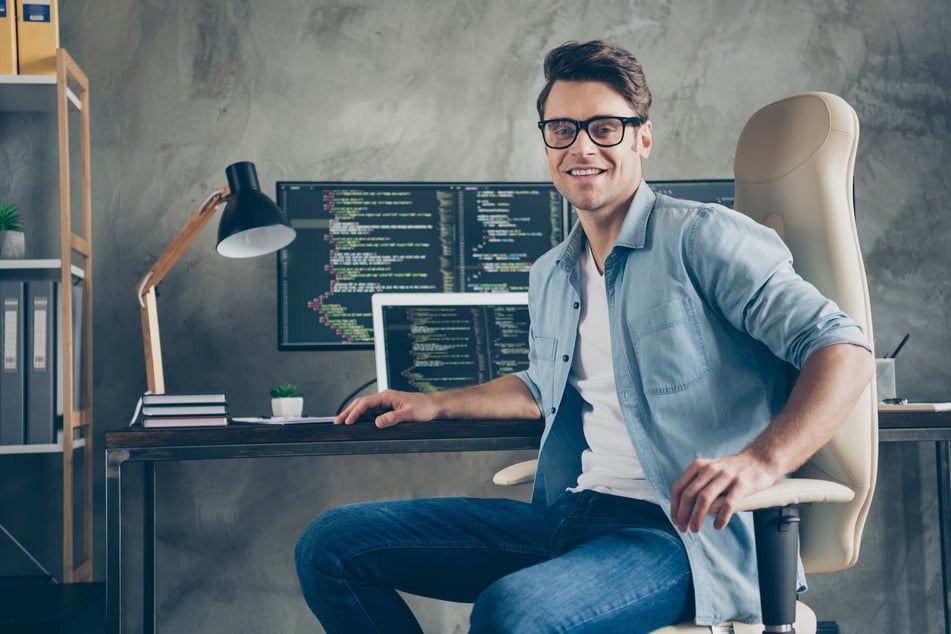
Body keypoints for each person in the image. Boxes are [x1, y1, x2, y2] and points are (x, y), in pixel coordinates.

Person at [295, 40, 874, 633]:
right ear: (546, 142)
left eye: (604, 127)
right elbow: (544, 385)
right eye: (563, 130)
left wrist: (759, 461)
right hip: (573, 514)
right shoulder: (551, 272)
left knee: (510, 612)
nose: (582, 147)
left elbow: (843, 349)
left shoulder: (703, 238)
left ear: (642, 138)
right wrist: (433, 403)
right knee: (330, 545)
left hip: (680, 537)